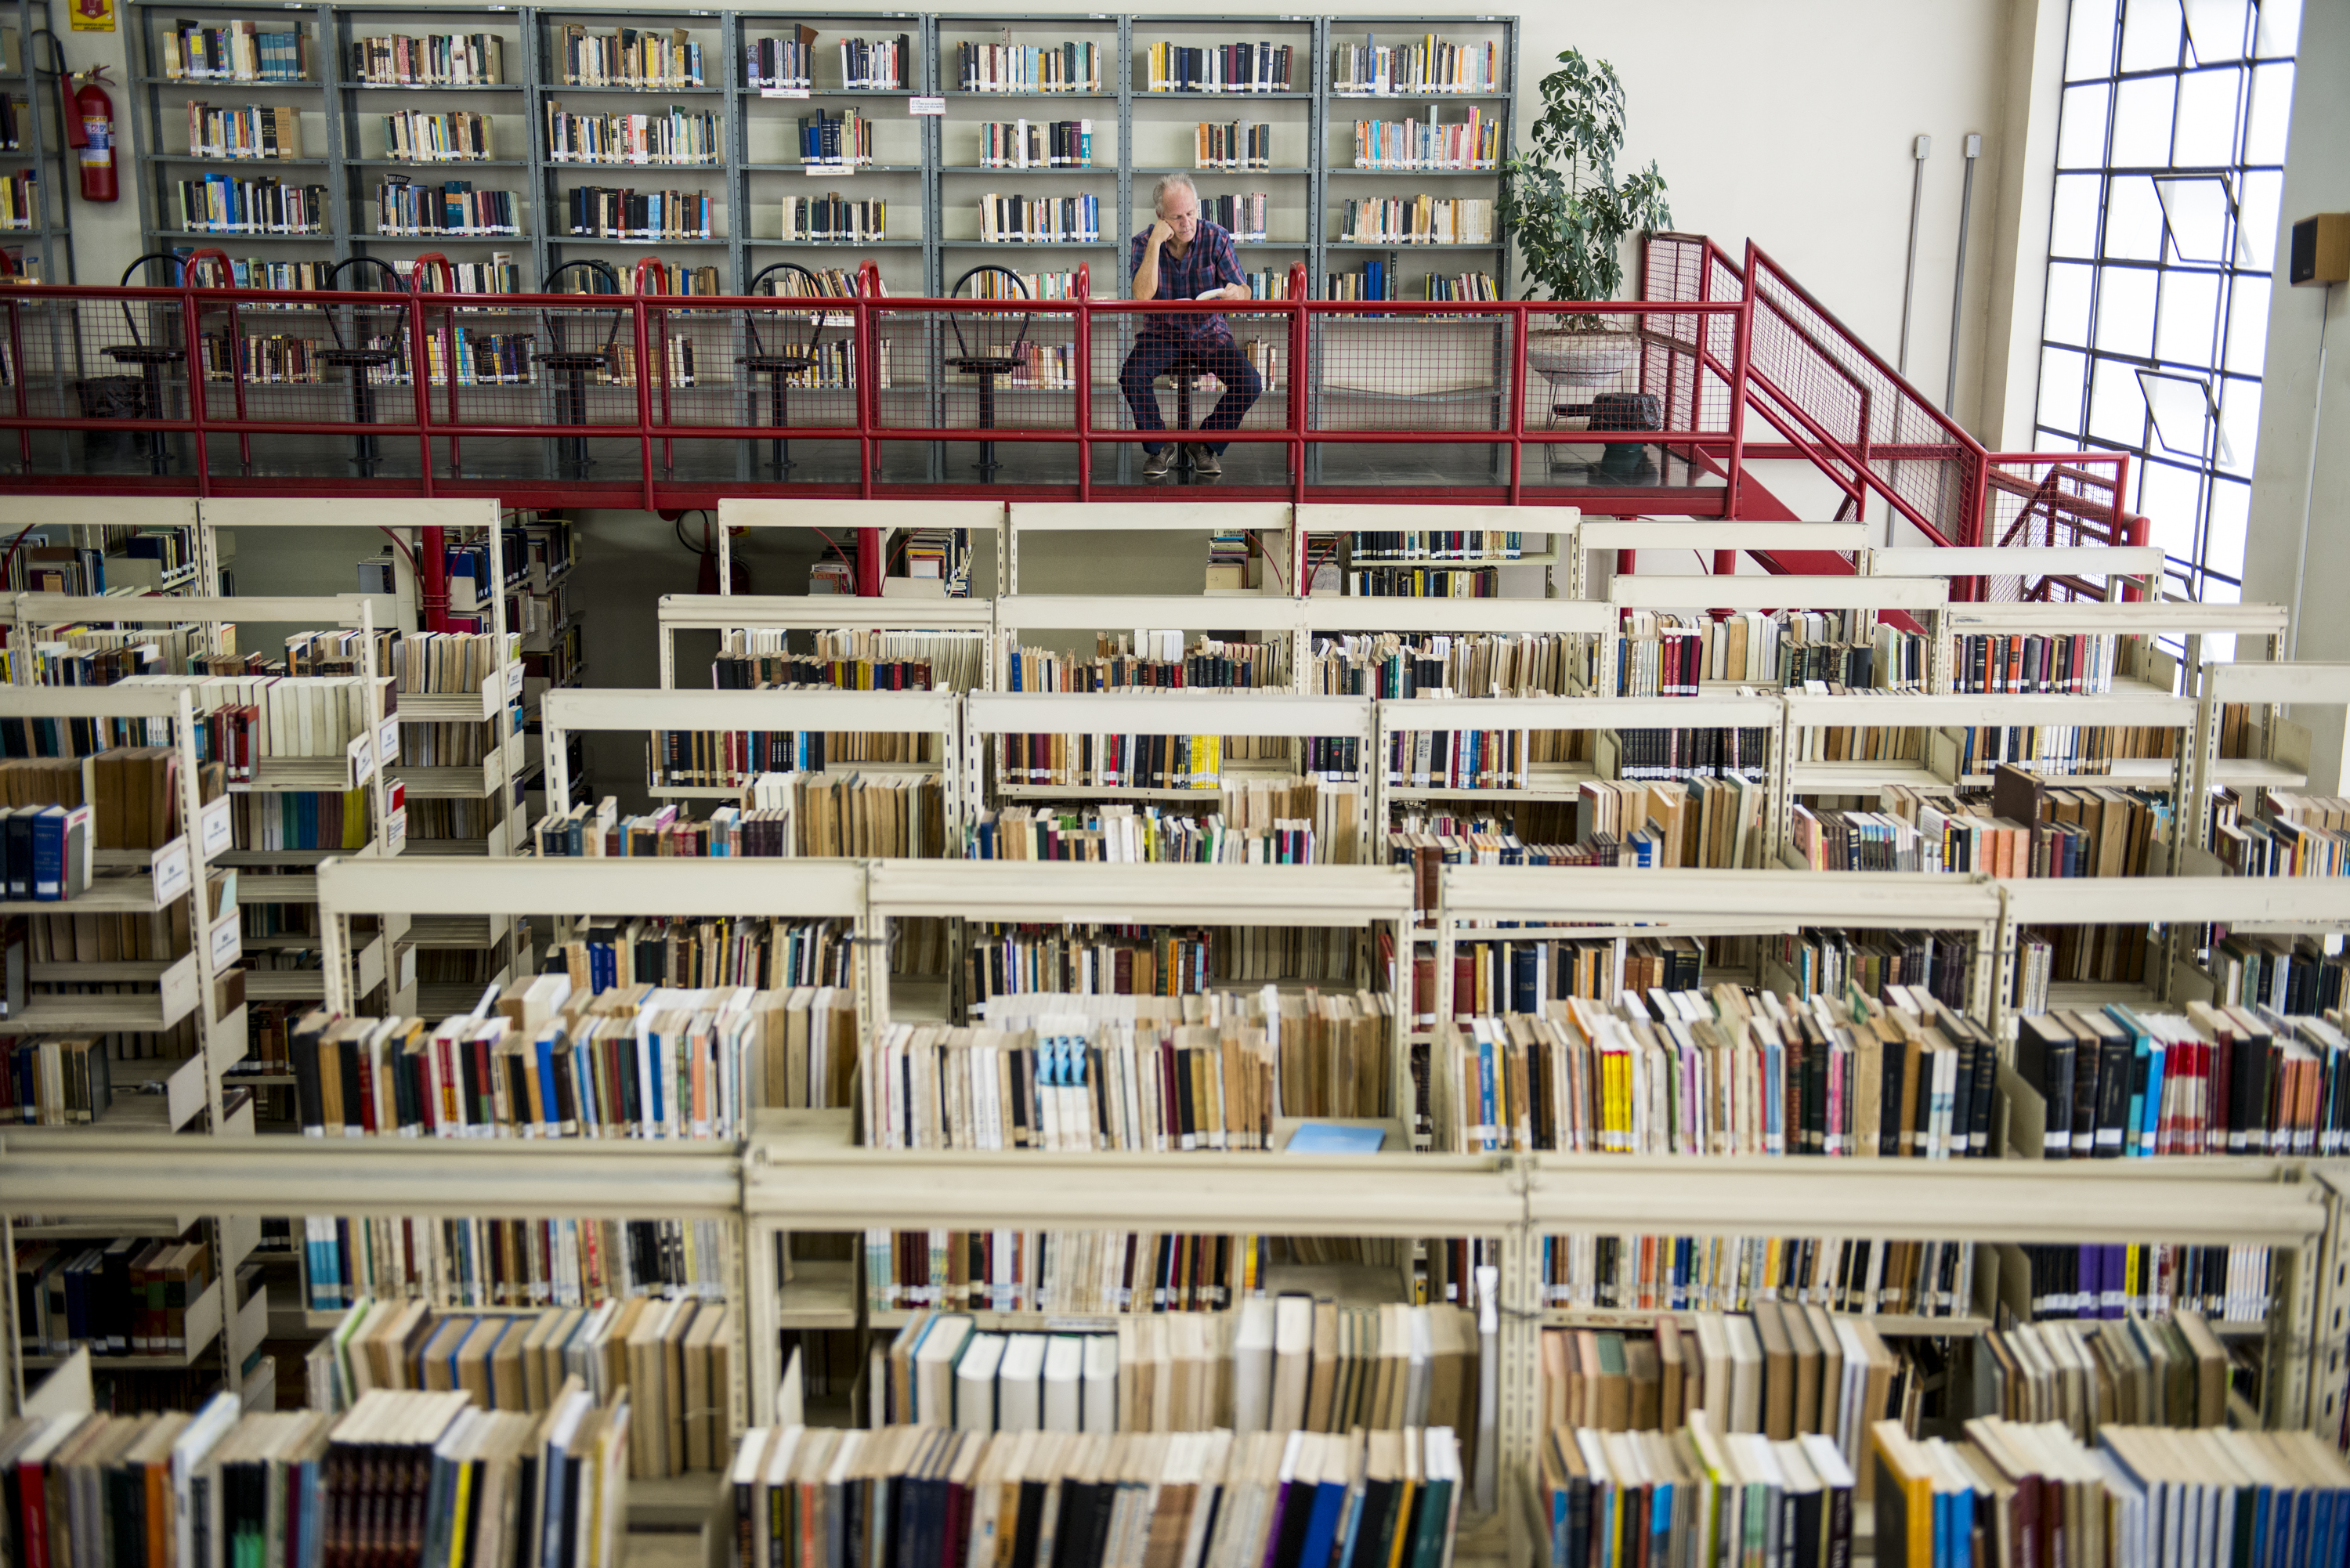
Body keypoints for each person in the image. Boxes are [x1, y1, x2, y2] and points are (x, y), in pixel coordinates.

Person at [1120, 173, 1262, 479]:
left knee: (1250, 382)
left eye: (1191, 213)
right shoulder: (1143, 243)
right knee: (1131, 375)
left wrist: (1239, 292)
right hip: (1162, 334)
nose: (1187, 222)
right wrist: (1156, 242)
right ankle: (1158, 446)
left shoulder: (1216, 238)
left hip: (1209, 332)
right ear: (1160, 217)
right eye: (1176, 217)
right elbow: (1142, 295)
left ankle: (1204, 443)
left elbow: (1245, 292)